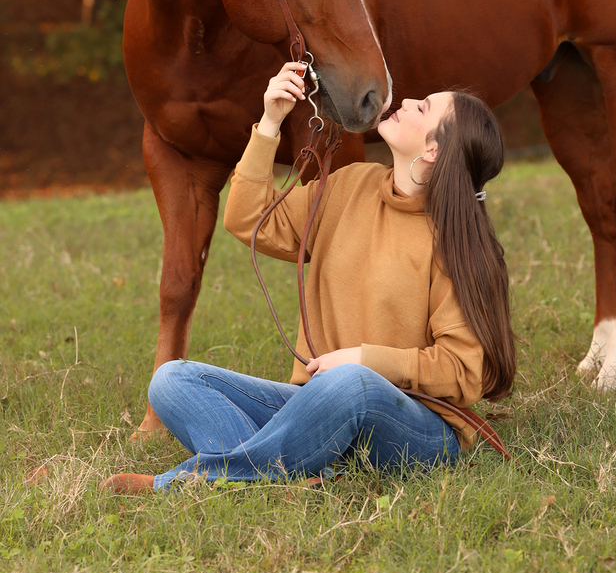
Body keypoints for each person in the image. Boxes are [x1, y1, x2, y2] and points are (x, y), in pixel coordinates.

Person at [102, 62, 516, 494]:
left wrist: (364, 360)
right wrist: (270, 121)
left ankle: (182, 484)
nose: (408, 101)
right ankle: (294, 478)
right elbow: (250, 220)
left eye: (424, 108)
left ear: (432, 150)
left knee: (348, 383)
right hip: (315, 403)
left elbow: (465, 371)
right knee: (173, 381)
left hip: (415, 428)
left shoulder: (457, 243)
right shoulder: (350, 184)